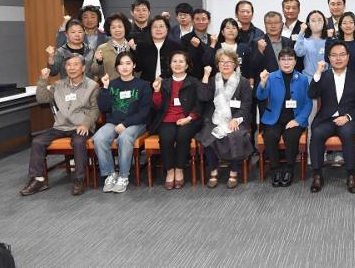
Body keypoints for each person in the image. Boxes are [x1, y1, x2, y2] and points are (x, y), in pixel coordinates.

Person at [20, 54, 100, 196]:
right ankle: (38, 179)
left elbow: (95, 109)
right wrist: (43, 80)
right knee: (38, 141)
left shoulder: (92, 86)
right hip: (60, 126)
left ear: (83, 68)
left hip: (80, 126)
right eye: (69, 65)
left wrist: (86, 124)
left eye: (75, 64)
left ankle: (79, 179)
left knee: (78, 142)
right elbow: (42, 99)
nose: (72, 68)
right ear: (65, 68)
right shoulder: (58, 85)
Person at [308, 42, 355, 194]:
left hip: (348, 120)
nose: (338, 58)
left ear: (348, 57)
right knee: (317, 133)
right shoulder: (323, 76)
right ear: (328, 58)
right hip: (326, 119)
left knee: (347, 133)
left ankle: (351, 175)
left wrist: (347, 117)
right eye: (334, 55)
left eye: (342, 55)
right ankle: (317, 174)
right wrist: (317, 73)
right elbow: (312, 94)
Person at [94, 52, 151, 193]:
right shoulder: (112, 84)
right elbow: (104, 108)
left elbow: (145, 111)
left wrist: (125, 124)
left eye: (128, 63)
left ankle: (123, 176)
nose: (124, 67)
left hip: (136, 123)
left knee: (124, 138)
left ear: (134, 65)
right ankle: (110, 174)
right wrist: (105, 88)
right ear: (116, 67)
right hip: (114, 122)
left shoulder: (143, 85)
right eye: (121, 64)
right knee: (99, 138)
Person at [197, 50, 254, 189]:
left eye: (229, 62)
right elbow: (203, 97)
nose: (225, 64)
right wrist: (205, 76)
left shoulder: (243, 82)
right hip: (215, 119)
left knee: (235, 135)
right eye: (222, 61)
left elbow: (246, 106)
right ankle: (213, 170)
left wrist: (236, 119)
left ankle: (234, 171)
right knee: (208, 135)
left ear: (235, 64)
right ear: (217, 65)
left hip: (237, 119)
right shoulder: (212, 80)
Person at [255, 47, 312, 187]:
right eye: (283, 59)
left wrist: (298, 120)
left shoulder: (303, 79)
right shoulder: (271, 77)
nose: (286, 62)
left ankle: (289, 169)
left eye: (290, 59)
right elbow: (260, 96)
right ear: (279, 62)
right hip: (274, 118)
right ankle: (275, 169)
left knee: (291, 136)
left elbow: (308, 103)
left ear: (295, 61)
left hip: (294, 118)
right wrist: (262, 83)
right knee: (270, 136)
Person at [150, 51, 203, 189]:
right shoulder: (164, 83)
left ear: (187, 65)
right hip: (167, 119)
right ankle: (169, 171)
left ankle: (179, 169)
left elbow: (199, 105)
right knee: (166, 138)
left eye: (181, 61)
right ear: (170, 64)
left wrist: (189, 118)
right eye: (174, 61)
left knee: (183, 136)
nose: (177, 64)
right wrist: (156, 91)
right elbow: (157, 106)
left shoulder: (194, 82)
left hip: (188, 118)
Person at [133, 15, 182, 83]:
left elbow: (180, 66)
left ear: (167, 29)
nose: (158, 29)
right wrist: (134, 51)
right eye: (155, 27)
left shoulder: (176, 47)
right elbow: (137, 68)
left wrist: (163, 77)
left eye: (161, 26)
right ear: (150, 30)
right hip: (147, 85)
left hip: (170, 84)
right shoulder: (142, 46)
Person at [251, 11, 294, 77]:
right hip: (266, 80)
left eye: (276, 23)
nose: (273, 26)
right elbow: (253, 68)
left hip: (286, 79)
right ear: (265, 25)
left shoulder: (288, 42)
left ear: (282, 24)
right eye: (269, 23)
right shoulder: (257, 42)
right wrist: (260, 51)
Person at [92, 12, 132, 80]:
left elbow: (138, 70)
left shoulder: (132, 47)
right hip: (110, 85)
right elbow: (95, 72)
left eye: (120, 27)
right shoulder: (102, 48)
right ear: (109, 30)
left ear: (125, 28)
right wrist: (99, 62)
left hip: (132, 85)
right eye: (113, 27)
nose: (117, 30)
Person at [325, 12, 355, 78]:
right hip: (337, 79)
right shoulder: (334, 42)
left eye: (351, 22)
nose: (348, 26)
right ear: (340, 26)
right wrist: (329, 39)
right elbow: (327, 59)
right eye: (344, 23)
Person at [181, 8, 215, 79]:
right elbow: (185, 61)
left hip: (211, 79)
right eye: (197, 19)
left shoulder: (213, 39)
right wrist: (193, 47)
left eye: (204, 19)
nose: (201, 22)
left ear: (209, 21)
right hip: (192, 79)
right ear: (192, 21)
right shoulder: (185, 39)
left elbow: (216, 62)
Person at [294, 10, 328, 80]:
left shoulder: (329, 41)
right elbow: (298, 53)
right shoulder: (304, 41)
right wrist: (301, 32)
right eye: (313, 20)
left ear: (324, 23)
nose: (316, 23)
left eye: (319, 20)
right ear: (308, 24)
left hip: (326, 79)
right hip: (308, 78)